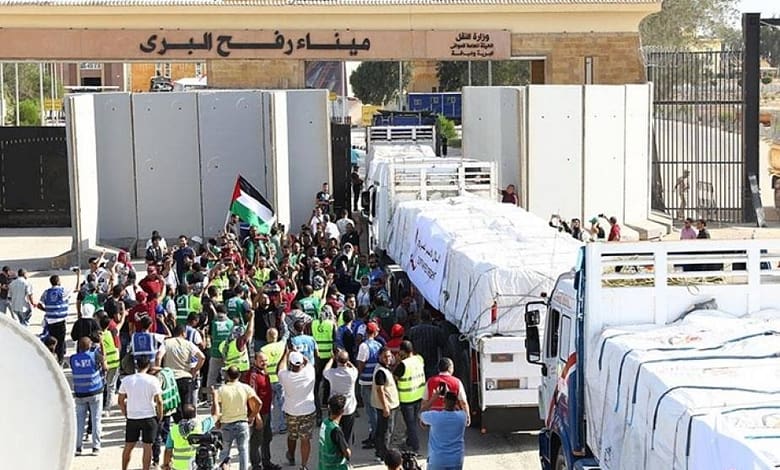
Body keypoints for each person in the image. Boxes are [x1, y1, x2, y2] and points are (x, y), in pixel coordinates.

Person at [120, 356, 164, 470]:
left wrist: (125, 413)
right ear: (148, 365)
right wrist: (160, 415)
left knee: (128, 446)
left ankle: (124, 468)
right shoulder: (153, 380)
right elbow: (159, 401)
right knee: (147, 447)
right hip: (149, 416)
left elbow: (120, 400)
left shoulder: (127, 380)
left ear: (136, 365)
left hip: (132, 416)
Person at [214, 366, 262, 470]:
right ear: (239, 375)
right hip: (242, 423)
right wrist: (252, 416)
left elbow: (216, 407)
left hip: (226, 424)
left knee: (225, 452)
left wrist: (217, 421)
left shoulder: (221, 389)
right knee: (243, 450)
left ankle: (224, 468)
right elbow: (259, 403)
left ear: (227, 376)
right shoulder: (245, 387)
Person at [242, 351, 283, 470]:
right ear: (255, 361)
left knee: (267, 438)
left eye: (265, 360)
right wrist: (257, 416)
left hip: (266, 411)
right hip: (258, 413)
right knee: (256, 440)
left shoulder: (264, 372)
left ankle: (266, 462)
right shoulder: (253, 376)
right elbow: (251, 397)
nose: (264, 363)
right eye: (261, 361)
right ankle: (256, 465)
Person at [278, 349, 316, 470]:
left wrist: (286, 353)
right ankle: (304, 465)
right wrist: (299, 353)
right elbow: (308, 361)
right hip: (308, 411)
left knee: (292, 435)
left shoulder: (285, 376)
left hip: (291, 411)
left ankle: (291, 455)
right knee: (305, 439)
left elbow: (280, 367)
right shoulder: (310, 372)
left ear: (291, 364)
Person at [71, 336, 106, 456]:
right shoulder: (94, 355)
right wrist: (101, 343)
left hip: (80, 393)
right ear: (90, 345)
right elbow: (104, 359)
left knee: (79, 422)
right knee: (96, 420)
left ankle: (78, 447)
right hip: (95, 391)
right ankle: (96, 447)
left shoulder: (73, 359)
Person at [163, 324, 205, 418]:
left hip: (171, 378)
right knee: (186, 403)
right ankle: (187, 423)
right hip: (186, 376)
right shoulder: (188, 344)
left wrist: (161, 371)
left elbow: (158, 356)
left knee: (175, 404)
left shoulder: (166, 343)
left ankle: (178, 423)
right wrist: (194, 370)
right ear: (183, 333)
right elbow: (202, 357)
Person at [38, 272, 80, 364]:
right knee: (60, 342)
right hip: (60, 320)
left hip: (50, 321)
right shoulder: (62, 291)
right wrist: (78, 275)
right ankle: (60, 360)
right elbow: (77, 288)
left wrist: (47, 310)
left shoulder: (46, 292)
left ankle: (53, 358)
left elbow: (39, 304)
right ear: (58, 282)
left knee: (52, 341)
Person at [419, 391, 468, 470]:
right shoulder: (462, 417)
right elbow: (459, 409)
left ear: (443, 402)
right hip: (456, 459)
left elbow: (421, 413)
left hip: (437, 460)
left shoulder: (435, 417)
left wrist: (433, 399)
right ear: (455, 403)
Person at [393, 341, 426, 454]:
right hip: (418, 395)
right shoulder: (419, 359)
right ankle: (409, 442)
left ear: (403, 351)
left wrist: (398, 361)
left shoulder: (403, 364)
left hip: (407, 398)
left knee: (410, 423)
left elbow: (395, 377)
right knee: (413, 422)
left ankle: (414, 447)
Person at [162, 404, 218, 470]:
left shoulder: (174, 430)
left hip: (178, 467)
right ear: (195, 414)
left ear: (182, 415)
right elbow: (216, 415)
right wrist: (215, 399)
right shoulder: (200, 426)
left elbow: (168, 450)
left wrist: (166, 465)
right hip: (194, 466)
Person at [322, 349, 358, 444]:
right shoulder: (353, 373)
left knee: (333, 432)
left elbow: (325, 370)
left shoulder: (332, 373)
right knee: (347, 435)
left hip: (334, 408)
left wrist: (332, 359)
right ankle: (346, 449)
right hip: (349, 408)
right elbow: (354, 367)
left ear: (337, 360)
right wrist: (346, 360)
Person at [356, 321, 383, 448]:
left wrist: (359, 374)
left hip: (366, 381)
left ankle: (375, 437)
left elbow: (361, 364)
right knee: (375, 410)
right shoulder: (378, 345)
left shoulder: (364, 346)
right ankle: (375, 434)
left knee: (371, 411)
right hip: (375, 380)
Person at [421, 358, 470, 427]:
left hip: (435, 418)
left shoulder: (430, 381)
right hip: (452, 417)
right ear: (450, 368)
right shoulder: (457, 382)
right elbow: (463, 403)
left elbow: (424, 402)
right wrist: (467, 417)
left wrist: (423, 418)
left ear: (439, 369)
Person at [372, 347, 400, 462]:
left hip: (387, 405)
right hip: (387, 406)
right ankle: (384, 455)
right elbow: (380, 390)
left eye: (389, 356)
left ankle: (379, 452)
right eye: (385, 356)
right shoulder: (381, 372)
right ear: (379, 357)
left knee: (382, 429)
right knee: (386, 431)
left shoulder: (384, 368)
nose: (388, 358)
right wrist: (385, 407)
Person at [311, 306, 336, 423]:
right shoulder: (331, 324)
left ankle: (318, 412)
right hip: (329, 357)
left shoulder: (313, 323)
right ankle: (327, 404)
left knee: (316, 383)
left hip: (317, 357)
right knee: (329, 382)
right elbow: (335, 340)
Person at [261, 328, 288, 434]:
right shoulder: (282, 345)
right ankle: (282, 426)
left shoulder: (263, 349)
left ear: (267, 337)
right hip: (280, 379)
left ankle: (271, 427)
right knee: (282, 403)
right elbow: (286, 334)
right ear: (276, 336)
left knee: (269, 405)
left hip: (268, 380)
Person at [407, 311, 446, 379]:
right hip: (432, 362)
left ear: (420, 319)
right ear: (430, 318)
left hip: (417, 362)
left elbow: (409, 346)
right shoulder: (436, 330)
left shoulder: (412, 330)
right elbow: (443, 345)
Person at [318, 394, 351, 470]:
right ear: (342, 411)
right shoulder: (336, 430)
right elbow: (346, 452)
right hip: (335, 466)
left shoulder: (324, 423)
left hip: (324, 465)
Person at [207, 305, 235, 389]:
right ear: (226, 313)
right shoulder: (231, 323)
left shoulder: (213, 323)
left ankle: (210, 395)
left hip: (215, 353)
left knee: (212, 376)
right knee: (229, 376)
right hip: (228, 354)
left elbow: (210, 336)